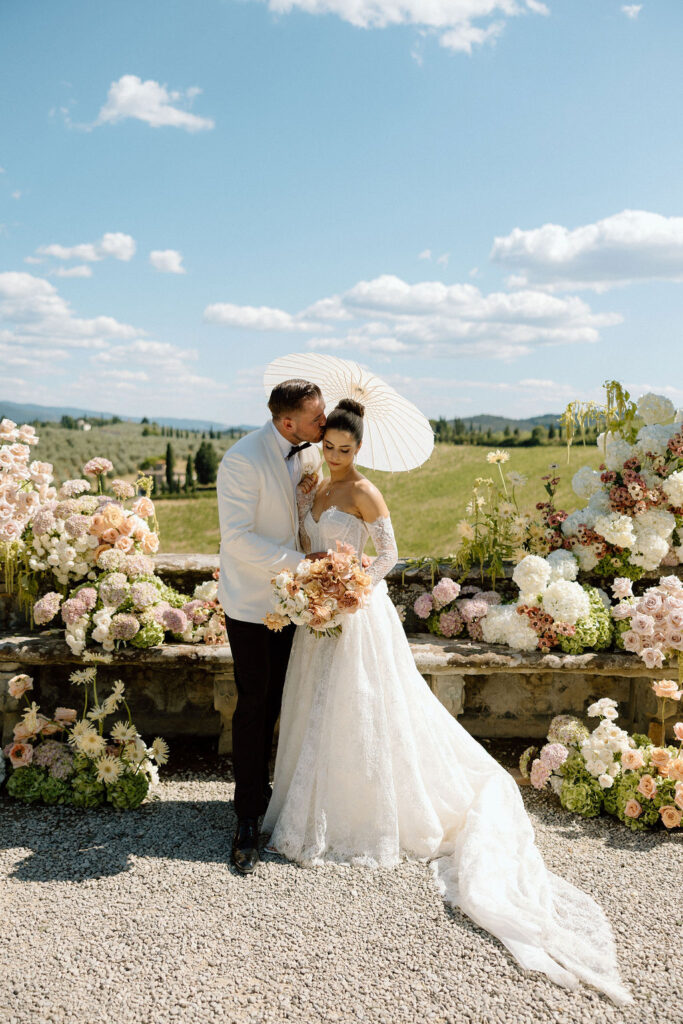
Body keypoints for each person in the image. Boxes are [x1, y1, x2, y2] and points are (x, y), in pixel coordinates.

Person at [261, 397, 633, 1007]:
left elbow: (387, 557)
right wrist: (312, 583)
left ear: (360, 450)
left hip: (358, 613)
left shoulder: (365, 494)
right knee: (316, 705)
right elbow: (307, 545)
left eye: (345, 450)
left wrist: (350, 586)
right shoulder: (312, 489)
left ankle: (370, 810)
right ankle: (315, 802)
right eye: (327, 446)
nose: (333, 456)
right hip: (318, 614)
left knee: (366, 709)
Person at [216, 378, 325, 874]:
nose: (323, 424)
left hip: (297, 601)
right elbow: (236, 539)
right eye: (316, 418)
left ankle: (283, 801)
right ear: (287, 423)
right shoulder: (242, 459)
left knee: (292, 698)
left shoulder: (305, 453)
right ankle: (247, 814)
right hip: (255, 604)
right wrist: (300, 561)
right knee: (256, 705)